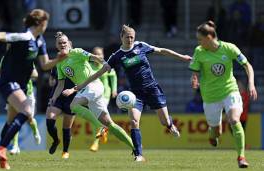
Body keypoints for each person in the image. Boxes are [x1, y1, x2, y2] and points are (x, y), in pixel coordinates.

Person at [74, 25, 191, 161]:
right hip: (136, 94)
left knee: (164, 121)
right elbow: (100, 72)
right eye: (127, 37)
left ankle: (170, 125)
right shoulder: (117, 56)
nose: (130, 39)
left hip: (152, 89)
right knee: (134, 121)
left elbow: (162, 51)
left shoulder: (141, 46)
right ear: (121, 37)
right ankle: (139, 155)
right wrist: (82, 84)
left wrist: (182, 56)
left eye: (132, 37)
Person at [0, 9, 66, 169]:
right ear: (40, 24)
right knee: (28, 111)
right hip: (8, 81)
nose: (46, 26)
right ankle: (1, 150)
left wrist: (58, 59)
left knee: (10, 122)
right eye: (45, 24)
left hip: (20, 86)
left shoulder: (40, 41)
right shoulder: (23, 37)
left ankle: (2, 157)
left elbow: (44, 65)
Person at [51, 31, 135, 159]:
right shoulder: (59, 63)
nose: (62, 44)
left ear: (69, 44)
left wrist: (105, 63)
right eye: (60, 43)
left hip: (93, 86)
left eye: (64, 42)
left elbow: (94, 57)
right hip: (87, 91)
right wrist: (54, 97)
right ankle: (136, 148)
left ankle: (100, 127)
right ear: (56, 46)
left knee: (73, 105)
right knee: (110, 124)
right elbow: (60, 85)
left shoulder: (77, 52)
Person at [189, 21, 257, 168]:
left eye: (200, 39)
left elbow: (247, 65)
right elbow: (195, 70)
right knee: (216, 133)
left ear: (209, 37)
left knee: (233, 120)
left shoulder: (229, 48)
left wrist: (251, 83)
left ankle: (241, 157)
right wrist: (194, 78)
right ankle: (212, 134)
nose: (198, 42)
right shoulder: (199, 51)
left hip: (230, 90)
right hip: (210, 96)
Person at [0, 56, 41, 155]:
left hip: (27, 93)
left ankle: (35, 132)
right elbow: (0, 72)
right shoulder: (5, 58)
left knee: (29, 118)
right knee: (13, 119)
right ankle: (15, 146)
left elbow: (35, 74)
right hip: (12, 91)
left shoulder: (26, 58)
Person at [89, 47, 117, 152]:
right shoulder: (89, 67)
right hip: (93, 96)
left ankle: (95, 142)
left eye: (100, 54)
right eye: (96, 54)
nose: (98, 56)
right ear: (92, 56)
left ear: (103, 55)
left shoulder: (106, 65)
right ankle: (104, 130)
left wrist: (114, 90)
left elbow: (113, 76)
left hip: (105, 95)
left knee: (98, 117)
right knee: (95, 119)